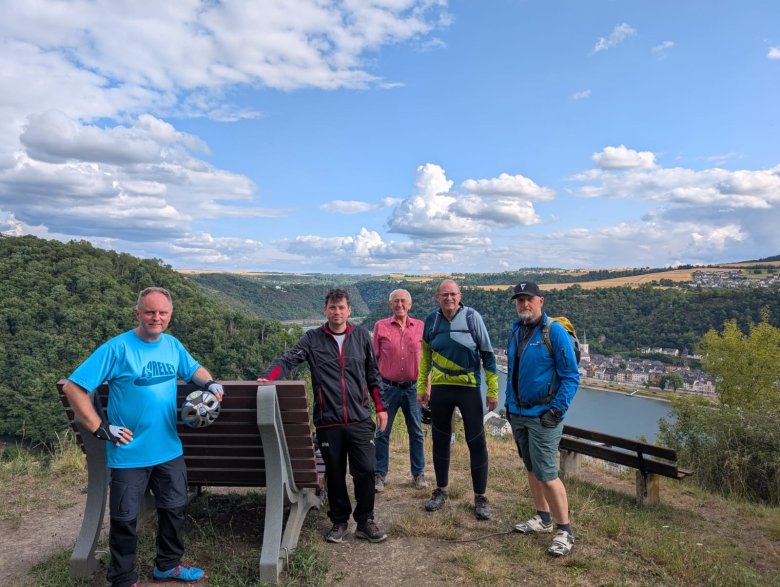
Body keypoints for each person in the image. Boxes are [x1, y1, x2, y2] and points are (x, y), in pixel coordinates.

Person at [62, 287, 224, 587]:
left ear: (170, 315)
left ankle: (168, 566)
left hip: (168, 449)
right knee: (124, 520)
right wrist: (101, 427)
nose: (156, 317)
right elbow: (74, 387)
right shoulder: (118, 348)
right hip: (129, 453)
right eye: (150, 312)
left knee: (174, 510)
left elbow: (193, 369)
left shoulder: (172, 346)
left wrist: (210, 382)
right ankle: (122, 579)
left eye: (162, 313)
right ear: (137, 313)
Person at [257, 288, 389, 544]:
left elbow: (373, 374)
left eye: (341, 307)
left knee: (366, 470)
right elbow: (288, 359)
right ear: (325, 310)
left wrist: (381, 407)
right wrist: (268, 376)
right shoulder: (312, 339)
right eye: (332, 307)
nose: (337, 312)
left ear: (349, 310)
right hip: (328, 419)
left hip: (359, 418)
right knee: (336, 472)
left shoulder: (361, 336)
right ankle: (339, 521)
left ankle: (365, 521)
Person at [504, 281, 580, 557]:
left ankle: (565, 531)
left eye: (529, 299)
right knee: (532, 468)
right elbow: (514, 372)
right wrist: (509, 405)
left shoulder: (554, 332)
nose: (524, 304)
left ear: (541, 301)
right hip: (519, 413)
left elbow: (571, 376)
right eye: (519, 300)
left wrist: (556, 410)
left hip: (544, 414)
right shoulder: (516, 330)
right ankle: (543, 518)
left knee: (547, 473)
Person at [417, 279, 498, 520]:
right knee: (440, 440)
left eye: (453, 294)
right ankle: (441, 491)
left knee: (476, 442)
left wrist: (492, 390)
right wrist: (422, 386)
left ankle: (480, 497)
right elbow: (425, 358)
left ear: (459, 296)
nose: (449, 298)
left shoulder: (473, 318)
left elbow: (488, 355)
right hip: (441, 388)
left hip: (468, 388)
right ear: (437, 297)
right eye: (444, 295)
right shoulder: (431, 321)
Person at [372, 288, 428, 492]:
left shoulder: (421, 327)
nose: (400, 304)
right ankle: (379, 474)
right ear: (390, 305)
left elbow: (426, 360)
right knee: (382, 432)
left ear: (410, 304)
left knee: (416, 432)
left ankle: (418, 474)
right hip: (388, 388)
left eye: (403, 301)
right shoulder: (381, 326)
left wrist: (426, 386)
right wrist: (374, 389)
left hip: (413, 388)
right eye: (396, 301)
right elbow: (373, 360)